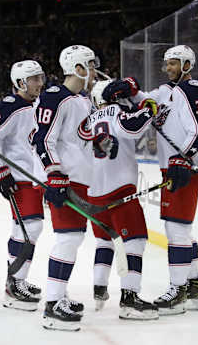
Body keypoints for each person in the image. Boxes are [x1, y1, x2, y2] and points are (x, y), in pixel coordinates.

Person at [104, 45, 198, 315]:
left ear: (187, 64)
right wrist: (128, 87)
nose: (169, 68)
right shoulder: (165, 92)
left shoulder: (193, 89)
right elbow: (145, 102)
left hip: (187, 167)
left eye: (174, 63)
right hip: (173, 167)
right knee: (181, 230)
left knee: (176, 229)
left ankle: (178, 292)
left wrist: (182, 158)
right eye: (167, 63)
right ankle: (194, 287)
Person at [78, 79, 160, 320]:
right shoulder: (118, 111)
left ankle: (99, 288)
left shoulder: (85, 122)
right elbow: (136, 125)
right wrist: (143, 101)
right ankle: (130, 299)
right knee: (135, 240)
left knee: (105, 240)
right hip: (119, 190)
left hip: (93, 193)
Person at [32, 45, 98, 331]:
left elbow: (80, 137)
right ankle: (53, 304)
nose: (95, 71)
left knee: (73, 238)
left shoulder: (81, 100)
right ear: (79, 69)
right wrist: (54, 174)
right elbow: (43, 140)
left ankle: (58, 297)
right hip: (65, 179)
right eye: (91, 66)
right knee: (68, 239)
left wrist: (102, 142)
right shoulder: (54, 97)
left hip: (79, 178)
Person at [0, 60, 46, 311]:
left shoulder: (39, 105)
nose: (40, 83)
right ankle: (13, 284)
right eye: (34, 79)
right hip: (19, 178)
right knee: (30, 227)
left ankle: (17, 280)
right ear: (20, 83)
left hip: (34, 177)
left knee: (27, 228)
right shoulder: (12, 106)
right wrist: (0, 171)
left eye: (41, 77)